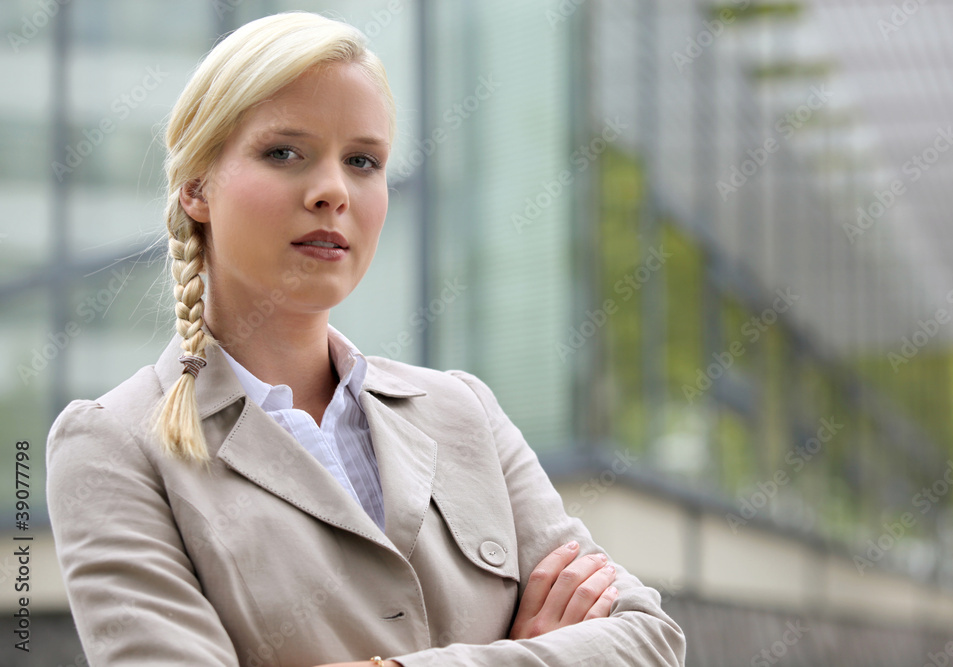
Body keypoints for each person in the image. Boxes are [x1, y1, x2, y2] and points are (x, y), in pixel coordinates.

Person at [44, 11, 685, 666]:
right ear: (196, 188)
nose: (332, 191)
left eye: (363, 161)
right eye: (284, 152)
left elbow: (650, 639)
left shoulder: (464, 412)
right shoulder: (114, 446)